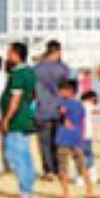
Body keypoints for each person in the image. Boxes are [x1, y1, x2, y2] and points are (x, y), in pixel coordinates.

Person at [2, 41, 38, 198]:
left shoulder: (17, 74)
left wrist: (6, 118)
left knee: (14, 154)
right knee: (25, 154)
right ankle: (28, 186)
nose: (8, 56)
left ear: (16, 54)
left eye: (10, 53)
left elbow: (15, 98)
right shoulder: (30, 72)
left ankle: (25, 189)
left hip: (16, 119)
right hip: (25, 116)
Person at [32, 40, 70, 181]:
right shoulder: (63, 69)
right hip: (60, 109)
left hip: (42, 109)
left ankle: (49, 170)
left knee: (45, 143)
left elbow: (32, 92)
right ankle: (60, 169)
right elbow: (69, 90)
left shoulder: (37, 69)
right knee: (59, 142)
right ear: (58, 52)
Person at [53, 83, 96, 198]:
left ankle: (65, 193)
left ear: (68, 91)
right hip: (77, 137)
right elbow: (82, 122)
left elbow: (62, 114)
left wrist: (64, 118)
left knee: (63, 166)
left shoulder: (63, 103)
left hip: (64, 136)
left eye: (61, 90)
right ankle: (90, 191)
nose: (59, 92)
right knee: (82, 166)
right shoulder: (80, 105)